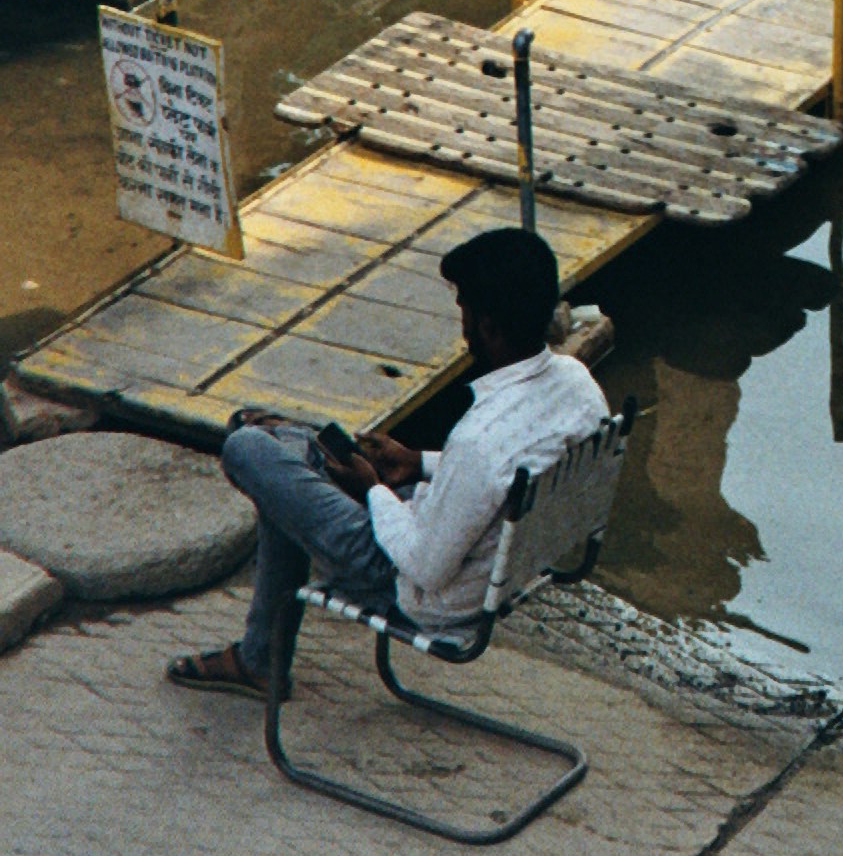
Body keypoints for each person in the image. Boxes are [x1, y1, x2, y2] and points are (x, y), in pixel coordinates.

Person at [167, 226, 607, 700]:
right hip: (485, 558)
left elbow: (424, 567)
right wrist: (416, 463)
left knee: (246, 446)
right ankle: (259, 656)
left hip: (415, 589)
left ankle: (260, 659)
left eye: (464, 311)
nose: (461, 327)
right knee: (283, 451)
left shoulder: (480, 440)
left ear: (488, 326)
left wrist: (373, 487)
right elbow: (507, 475)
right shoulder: (576, 382)